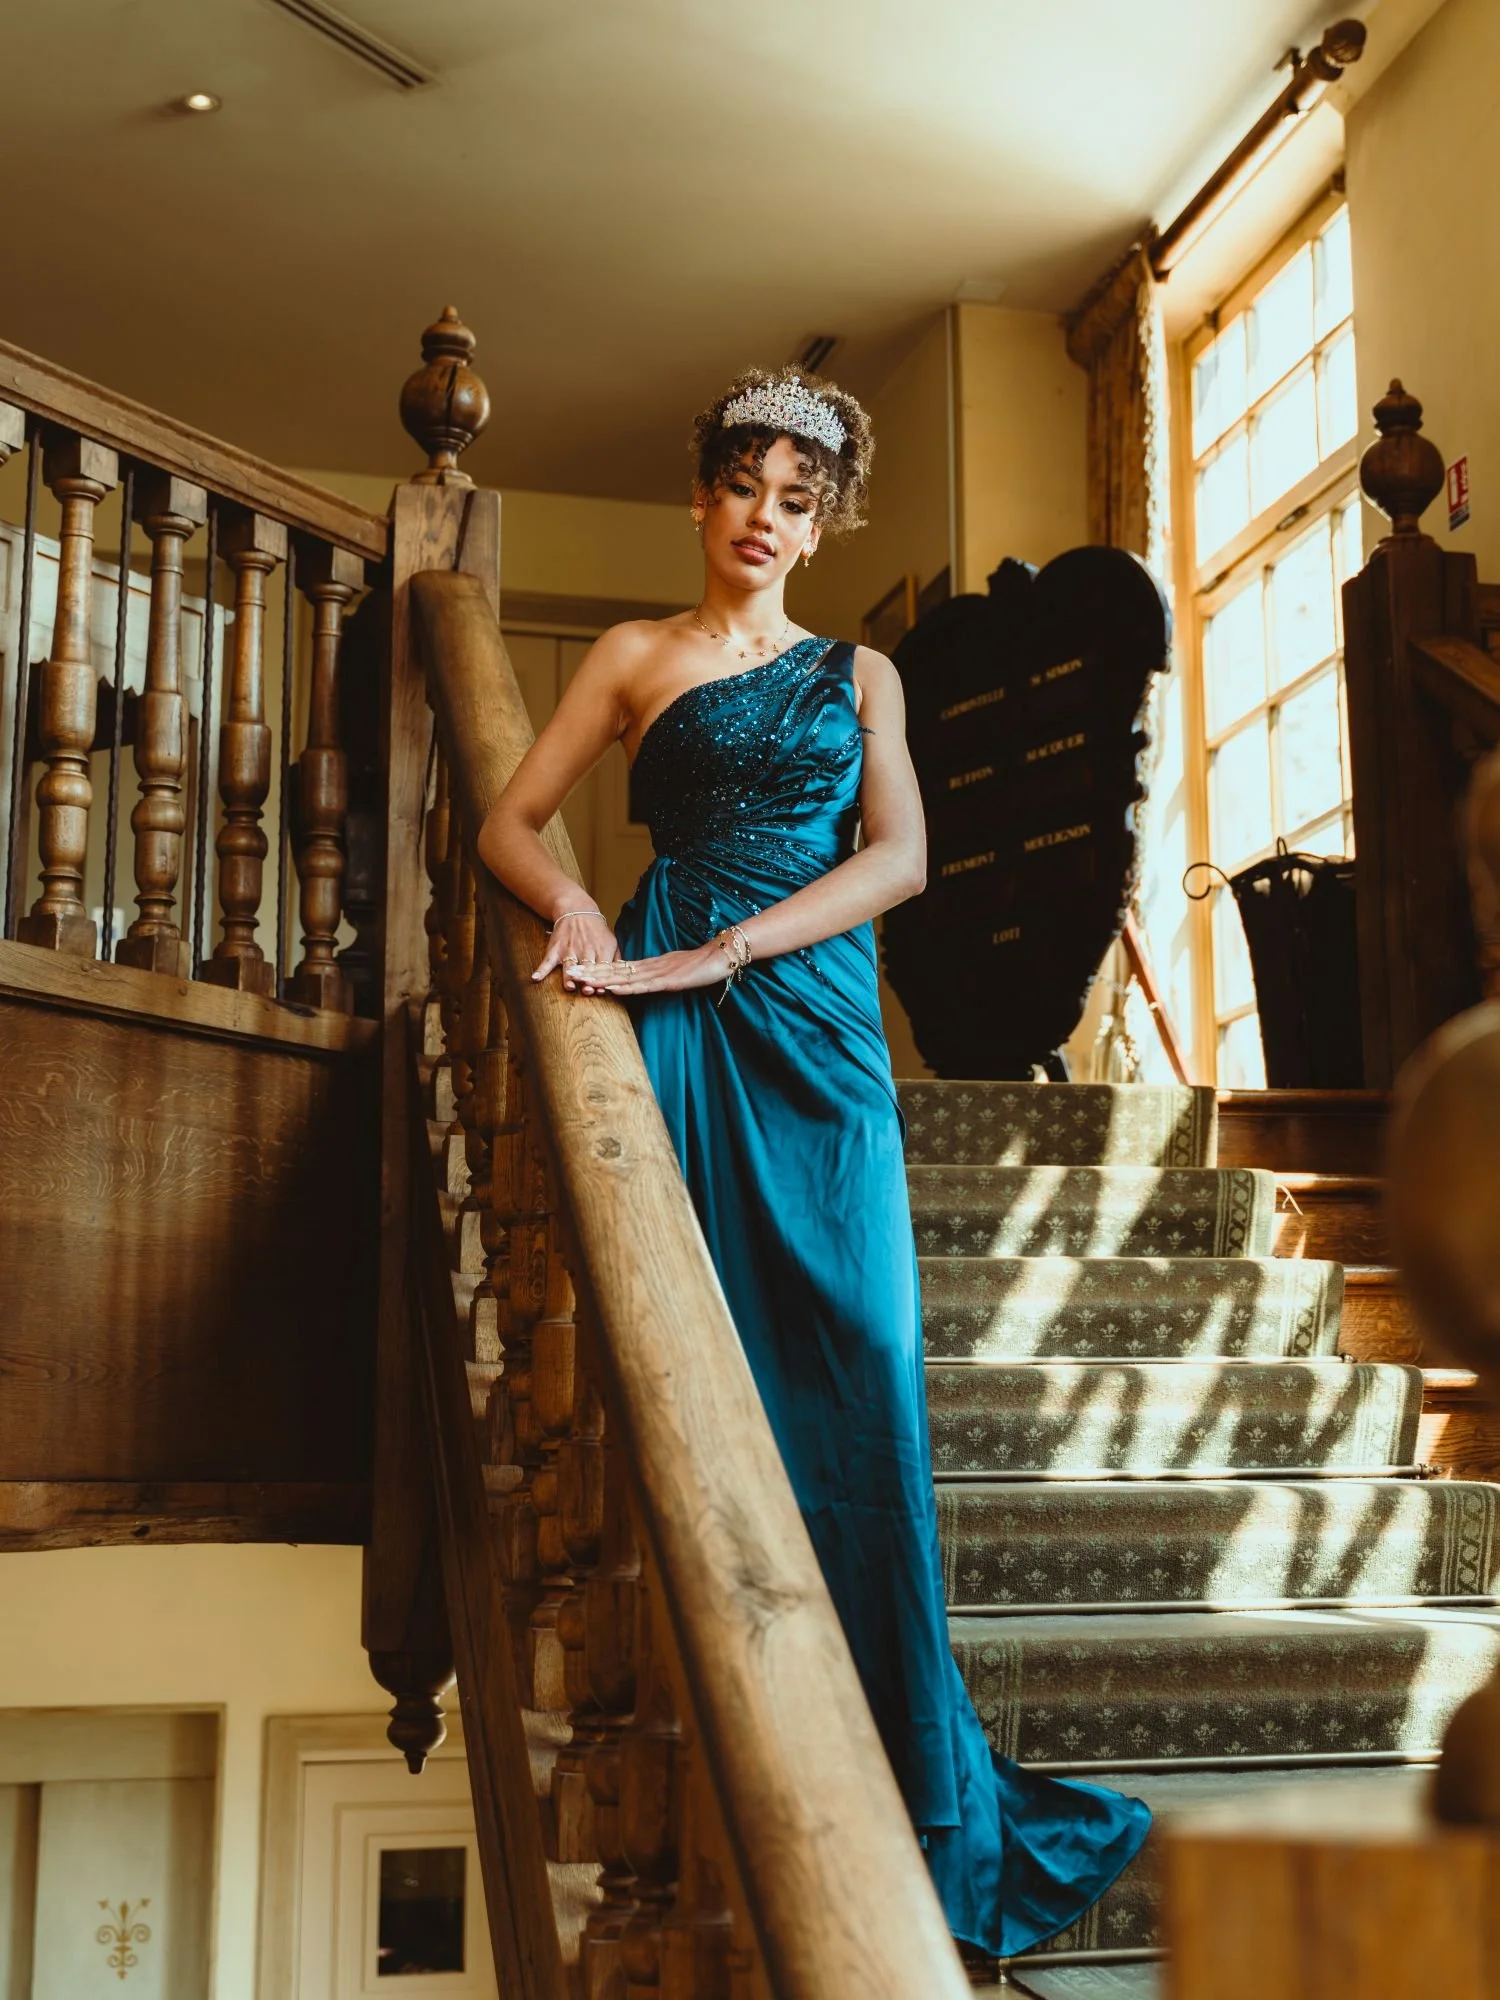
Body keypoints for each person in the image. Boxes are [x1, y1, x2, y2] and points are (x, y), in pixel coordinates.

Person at [476, 366, 1150, 1958]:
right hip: (676, 1011)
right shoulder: (637, 657)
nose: (768, 520)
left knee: (863, 1354)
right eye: (746, 487)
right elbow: (510, 819)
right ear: (701, 496)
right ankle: (739, 1695)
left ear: (822, 522)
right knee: (701, 1335)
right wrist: (576, 906)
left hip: (808, 1014)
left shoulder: (860, 675)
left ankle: (911, 1787)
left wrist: (727, 950)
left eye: (800, 499)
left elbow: (903, 860)